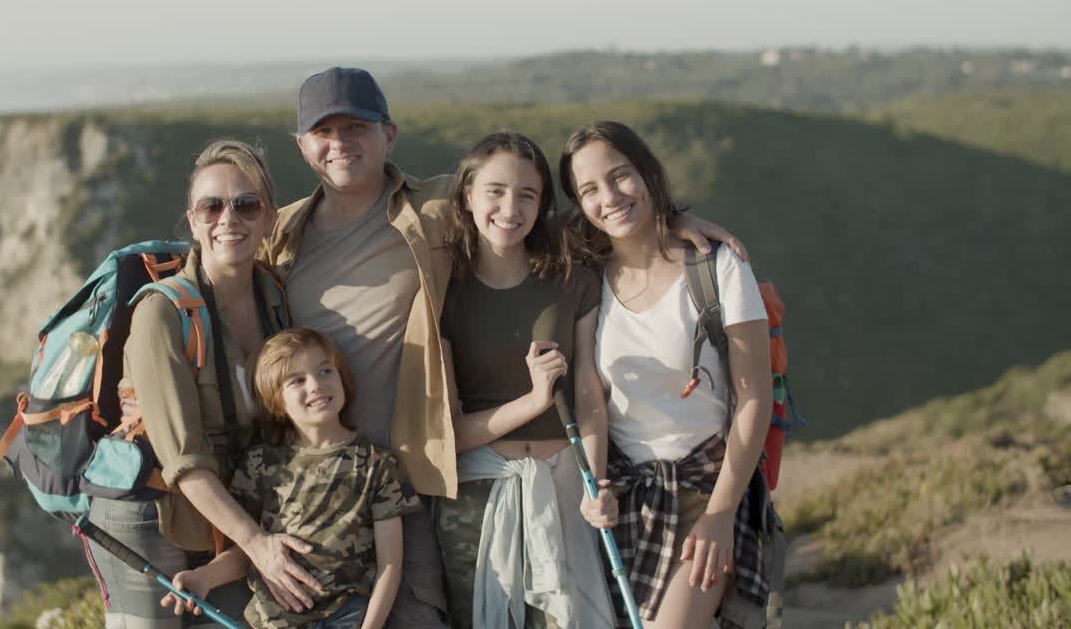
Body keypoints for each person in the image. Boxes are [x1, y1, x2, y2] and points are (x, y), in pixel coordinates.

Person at [263, 67, 749, 628]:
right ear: (302, 145)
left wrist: (670, 220)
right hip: (352, 475)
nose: (340, 143)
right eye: (324, 131)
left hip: (445, 481)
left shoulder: (443, 215)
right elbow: (229, 290)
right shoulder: (281, 235)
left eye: (356, 127)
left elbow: (599, 221)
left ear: (388, 135)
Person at [88, 140, 325, 628]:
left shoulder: (275, 301)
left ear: (269, 218)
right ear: (192, 221)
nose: (228, 219)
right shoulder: (162, 312)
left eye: (246, 205)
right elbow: (182, 457)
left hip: (226, 511)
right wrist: (258, 545)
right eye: (211, 206)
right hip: (146, 513)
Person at [559, 120, 773, 629]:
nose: (609, 197)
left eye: (621, 175)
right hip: (626, 495)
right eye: (589, 189)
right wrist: (596, 486)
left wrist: (722, 515)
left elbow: (754, 399)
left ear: (648, 172)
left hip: (706, 488)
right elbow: (590, 393)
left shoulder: (717, 267)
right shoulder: (587, 276)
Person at [434, 131, 616, 628]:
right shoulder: (443, 290)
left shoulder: (572, 280)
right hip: (477, 498)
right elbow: (451, 434)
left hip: (566, 489)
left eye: (526, 195)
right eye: (494, 190)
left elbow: (587, 394)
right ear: (467, 195)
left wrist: (594, 483)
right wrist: (535, 399)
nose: (509, 207)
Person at [161, 327, 421, 629]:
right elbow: (249, 553)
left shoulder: (378, 464)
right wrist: (203, 577)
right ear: (276, 401)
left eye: (325, 371)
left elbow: (390, 564)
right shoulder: (259, 464)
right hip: (273, 620)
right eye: (297, 380)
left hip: (349, 615)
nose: (316, 385)